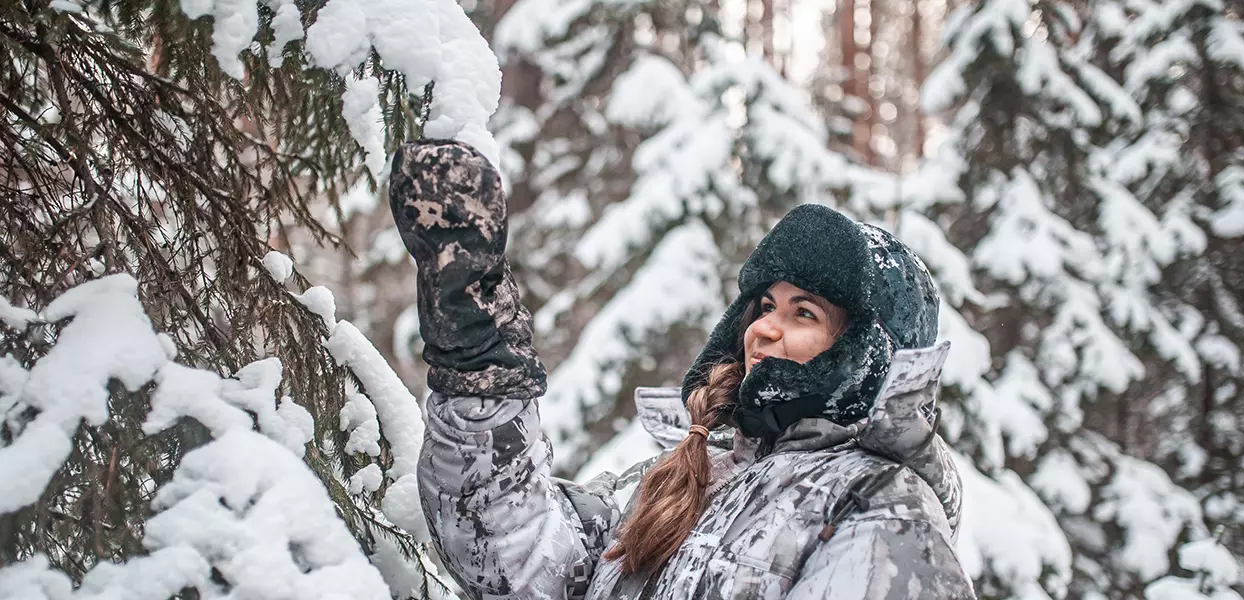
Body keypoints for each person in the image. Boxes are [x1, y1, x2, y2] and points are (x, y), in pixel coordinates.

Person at [391, 139, 974, 600]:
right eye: (764, 306)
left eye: (805, 312)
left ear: (868, 350)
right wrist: (481, 356)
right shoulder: (684, 475)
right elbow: (521, 560)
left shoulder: (881, 505)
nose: (764, 329)